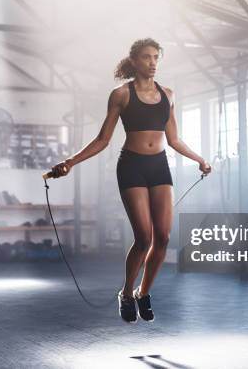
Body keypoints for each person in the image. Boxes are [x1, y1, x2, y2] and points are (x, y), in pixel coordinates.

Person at [50, 38, 211, 323]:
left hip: (159, 166)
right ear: (134, 60)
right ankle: (126, 292)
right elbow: (103, 139)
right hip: (132, 166)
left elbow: (174, 139)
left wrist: (200, 159)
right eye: (147, 57)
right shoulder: (121, 95)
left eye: (156, 58)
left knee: (163, 237)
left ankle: (143, 292)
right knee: (143, 237)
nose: (152, 63)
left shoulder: (169, 95)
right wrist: (70, 162)